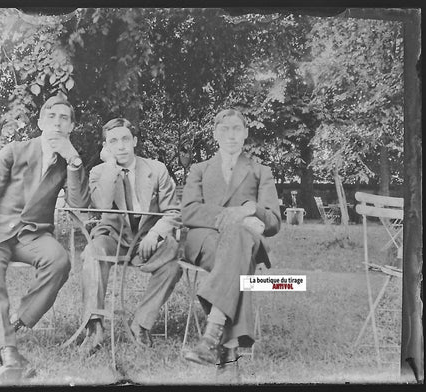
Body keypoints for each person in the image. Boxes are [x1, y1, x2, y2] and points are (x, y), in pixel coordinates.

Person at [0, 95, 90, 383]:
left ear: (71, 127)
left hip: (32, 234)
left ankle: (17, 322)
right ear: (40, 122)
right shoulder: (15, 151)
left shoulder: (67, 162)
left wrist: (74, 161)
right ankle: (7, 354)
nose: (57, 123)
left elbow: (79, 204)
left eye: (64, 119)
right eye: (52, 116)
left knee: (59, 261)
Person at [181, 109, 281, 379]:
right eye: (224, 129)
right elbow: (188, 211)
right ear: (215, 134)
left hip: (241, 243)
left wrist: (249, 209)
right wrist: (230, 216)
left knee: (238, 241)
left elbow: (273, 222)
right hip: (205, 240)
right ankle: (227, 345)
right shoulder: (199, 169)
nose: (231, 135)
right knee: (240, 252)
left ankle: (214, 336)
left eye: (237, 128)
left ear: (246, 133)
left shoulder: (261, 171)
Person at [80, 118, 182, 355]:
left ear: (135, 141)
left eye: (126, 139)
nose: (121, 146)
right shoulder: (98, 172)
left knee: (173, 265)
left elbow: (172, 212)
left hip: (147, 241)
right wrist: (110, 166)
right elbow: (103, 206)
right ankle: (94, 327)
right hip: (113, 238)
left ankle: (141, 324)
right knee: (92, 252)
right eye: (113, 141)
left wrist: (156, 233)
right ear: (106, 146)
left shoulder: (157, 170)